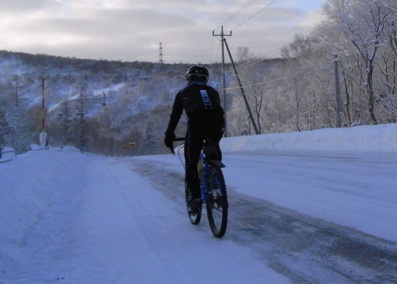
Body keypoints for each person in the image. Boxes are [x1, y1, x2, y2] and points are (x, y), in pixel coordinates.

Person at [164, 65, 225, 213]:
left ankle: (196, 199)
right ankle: (216, 182)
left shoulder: (183, 92)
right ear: (206, 79)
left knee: (191, 164)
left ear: (188, 79)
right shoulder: (213, 91)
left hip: (196, 124)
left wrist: (169, 136)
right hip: (218, 123)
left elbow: (175, 116)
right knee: (213, 149)